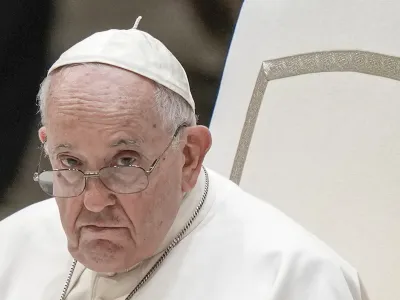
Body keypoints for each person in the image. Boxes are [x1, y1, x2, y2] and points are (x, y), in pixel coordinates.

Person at [0, 18, 369, 300]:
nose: (94, 202)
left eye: (125, 163)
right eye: (71, 164)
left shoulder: (290, 280)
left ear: (189, 157)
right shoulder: (12, 247)